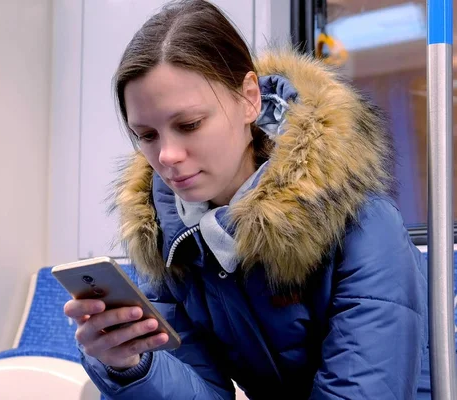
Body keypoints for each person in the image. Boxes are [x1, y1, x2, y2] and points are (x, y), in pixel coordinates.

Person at [63, 0, 427, 398]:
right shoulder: (171, 245)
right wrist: (132, 367)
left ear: (250, 99)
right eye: (147, 136)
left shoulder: (364, 225)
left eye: (189, 125)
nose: (166, 156)